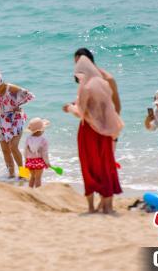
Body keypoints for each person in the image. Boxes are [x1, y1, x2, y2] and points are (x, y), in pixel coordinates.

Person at [62, 56, 124, 214]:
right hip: (106, 131)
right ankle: (107, 207)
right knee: (106, 166)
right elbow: (111, 107)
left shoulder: (86, 87)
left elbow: (82, 113)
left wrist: (70, 107)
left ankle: (91, 208)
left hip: (89, 131)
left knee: (88, 167)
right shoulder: (103, 83)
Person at [0, 70, 34, 178]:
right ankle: (11, 175)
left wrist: (18, 105)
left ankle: (24, 174)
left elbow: (29, 95)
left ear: (2, 83)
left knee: (13, 147)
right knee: (5, 150)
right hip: (3, 121)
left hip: (16, 119)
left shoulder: (12, 88)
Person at [74, 48, 122, 152]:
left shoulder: (107, 78)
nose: (77, 67)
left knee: (106, 164)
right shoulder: (85, 79)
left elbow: (116, 105)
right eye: (76, 63)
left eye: (79, 63)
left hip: (106, 127)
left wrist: (114, 131)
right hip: (89, 127)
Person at [24, 118, 51, 189]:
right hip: (39, 161)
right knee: (38, 178)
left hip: (29, 161)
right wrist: (47, 163)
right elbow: (44, 153)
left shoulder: (28, 138)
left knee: (32, 177)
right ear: (41, 129)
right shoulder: (43, 140)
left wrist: (26, 161)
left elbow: (25, 151)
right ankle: (38, 193)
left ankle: (29, 192)